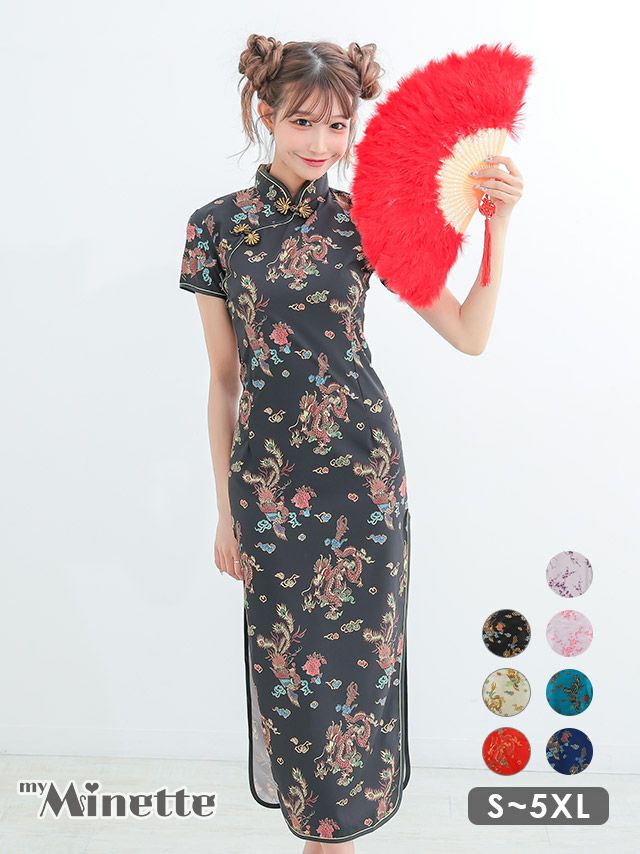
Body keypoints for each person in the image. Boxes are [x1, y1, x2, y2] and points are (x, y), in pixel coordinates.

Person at [178, 34, 523, 852]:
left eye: (338, 126)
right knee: (291, 680)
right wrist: (226, 512)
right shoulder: (216, 227)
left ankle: (331, 843)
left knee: (360, 680)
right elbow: (225, 381)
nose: (321, 143)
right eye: (303, 121)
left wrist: (498, 229)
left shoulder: (367, 218)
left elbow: (469, 335)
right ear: (266, 114)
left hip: (365, 482)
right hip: (270, 489)